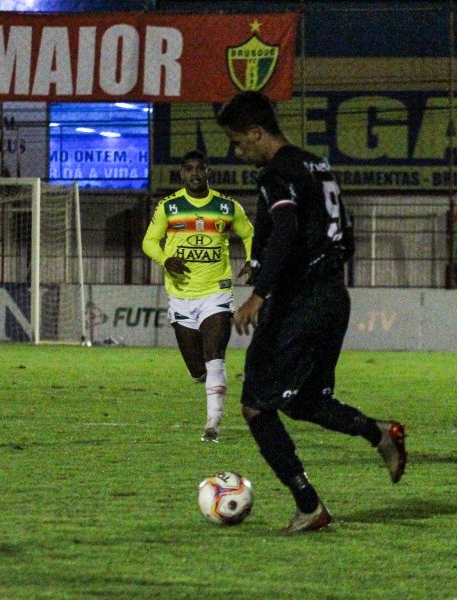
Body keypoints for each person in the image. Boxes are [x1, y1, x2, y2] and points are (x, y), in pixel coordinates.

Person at [216, 91, 406, 532]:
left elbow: (285, 229)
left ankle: (309, 506)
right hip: (332, 297)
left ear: (256, 133)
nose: (238, 152)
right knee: (305, 401)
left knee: (256, 405)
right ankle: (380, 433)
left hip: (299, 303)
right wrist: (265, 262)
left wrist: (261, 293)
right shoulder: (316, 166)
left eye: (238, 142)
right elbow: (335, 235)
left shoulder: (276, 173)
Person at [143, 150, 254, 443]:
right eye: (189, 169)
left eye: (200, 168)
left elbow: (249, 233)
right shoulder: (169, 207)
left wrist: (252, 259)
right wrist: (166, 259)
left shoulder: (227, 207)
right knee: (197, 370)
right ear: (182, 173)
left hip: (216, 293)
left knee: (214, 358)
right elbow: (149, 242)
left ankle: (212, 426)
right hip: (181, 296)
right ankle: (210, 383)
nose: (195, 174)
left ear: (208, 172)